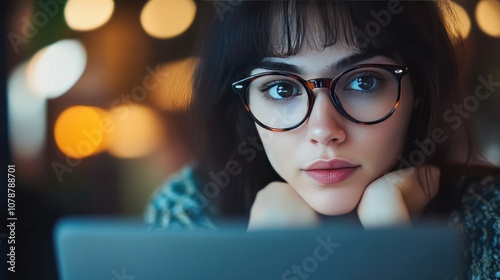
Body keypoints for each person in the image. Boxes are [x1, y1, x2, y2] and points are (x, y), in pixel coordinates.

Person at [145, 1, 500, 278]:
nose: (323, 130)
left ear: (418, 90)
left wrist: (391, 242)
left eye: (363, 82)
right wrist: (268, 258)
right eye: (282, 88)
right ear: (244, 104)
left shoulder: (489, 221)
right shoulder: (189, 213)